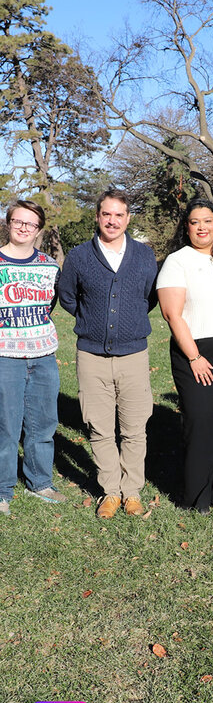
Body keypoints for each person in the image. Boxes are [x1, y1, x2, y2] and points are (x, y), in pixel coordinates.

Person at [58, 189, 157, 519]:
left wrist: (128, 321)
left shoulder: (144, 256)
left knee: (134, 427)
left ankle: (132, 492)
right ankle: (111, 492)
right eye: (106, 214)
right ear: (97, 217)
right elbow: (68, 297)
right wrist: (91, 320)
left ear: (128, 218)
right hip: (91, 355)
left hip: (133, 355)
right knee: (99, 428)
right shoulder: (79, 256)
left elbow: (150, 298)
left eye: (119, 215)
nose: (112, 221)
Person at [157, 199, 213, 513]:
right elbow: (172, 314)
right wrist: (194, 357)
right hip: (195, 352)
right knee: (201, 423)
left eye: (207, 221)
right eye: (194, 222)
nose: (202, 227)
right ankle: (195, 498)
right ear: (186, 226)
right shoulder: (177, 261)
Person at [0, 199, 66, 515]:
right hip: (5, 356)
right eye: (18, 221)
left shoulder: (50, 266)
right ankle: (2, 491)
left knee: (43, 424)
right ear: (8, 222)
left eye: (31, 223)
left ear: (38, 229)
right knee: (6, 426)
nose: (24, 228)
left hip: (43, 355)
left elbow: (48, 306)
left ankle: (40, 482)